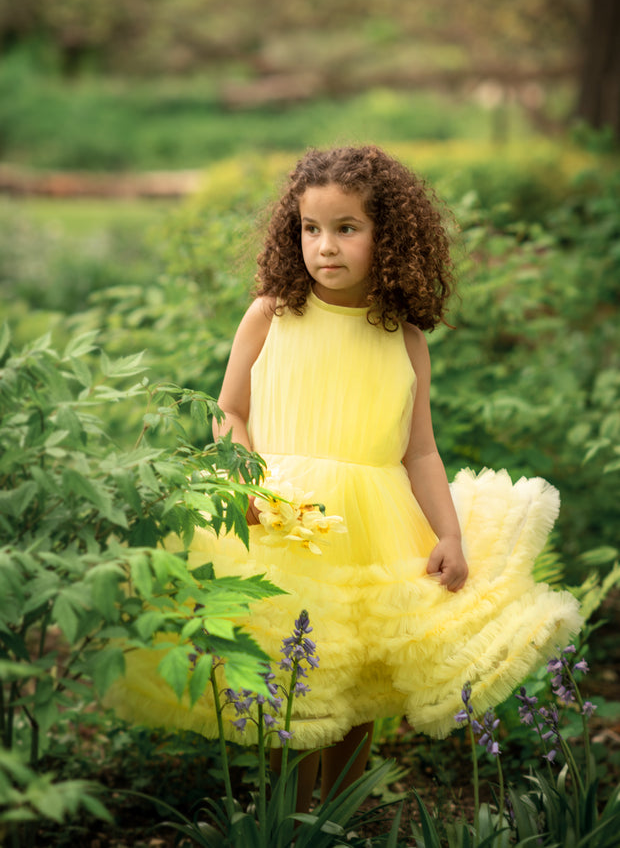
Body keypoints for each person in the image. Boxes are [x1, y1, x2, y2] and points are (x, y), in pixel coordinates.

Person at [109, 145, 581, 812]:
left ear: (387, 236)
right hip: (278, 520)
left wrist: (448, 532)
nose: (324, 246)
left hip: (371, 523)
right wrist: (244, 483)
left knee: (358, 675)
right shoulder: (272, 313)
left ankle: (342, 813)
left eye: (346, 228)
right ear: (292, 232)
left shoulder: (402, 335)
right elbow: (230, 412)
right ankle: (290, 819)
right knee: (291, 680)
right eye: (310, 229)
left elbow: (419, 451)